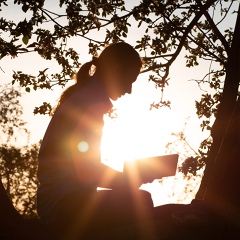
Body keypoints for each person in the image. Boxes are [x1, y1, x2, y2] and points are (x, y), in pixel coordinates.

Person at [37, 42, 164, 239]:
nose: (129, 90)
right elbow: (85, 170)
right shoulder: (89, 103)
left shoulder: (84, 97)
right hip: (64, 205)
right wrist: (128, 180)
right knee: (142, 203)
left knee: (140, 201)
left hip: (62, 200)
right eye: (130, 80)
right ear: (117, 70)